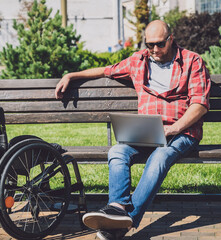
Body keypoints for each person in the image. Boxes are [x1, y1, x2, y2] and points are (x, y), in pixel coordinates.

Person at [54, 20, 211, 240]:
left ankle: (121, 224)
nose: (155, 50)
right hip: (148, 133)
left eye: (160, 44)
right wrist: (72, 75)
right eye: (150, 44)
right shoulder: (138, 60)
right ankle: (117, 207)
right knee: (117, 152)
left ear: (171, 39)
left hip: (181, 132)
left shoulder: (192, 61)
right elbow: (106, 71)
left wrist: (174, 128)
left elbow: (200, 105)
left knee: (159, 158)